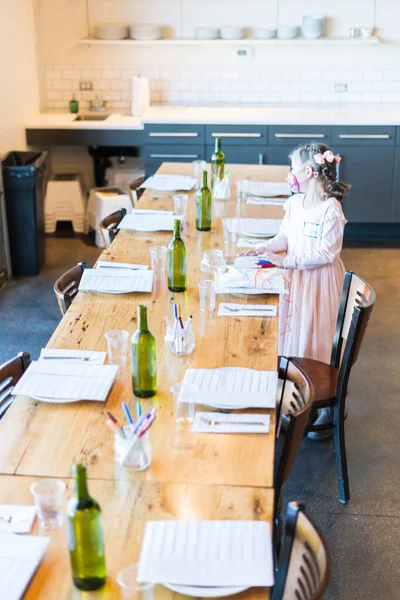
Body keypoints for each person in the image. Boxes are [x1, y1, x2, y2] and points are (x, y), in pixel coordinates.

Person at [239, 143, 351, 438]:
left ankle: (320, 404)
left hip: (319, 283)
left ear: (310, 172)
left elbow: (326, 254)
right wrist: (264, 247)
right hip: (296, 280)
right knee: (296, 332)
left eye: (293, 168)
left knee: (316, 333)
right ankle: (297, 392)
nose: (290, 174)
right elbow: (285, 235)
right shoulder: (295, 203)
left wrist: (286, 261)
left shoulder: (331, 209)